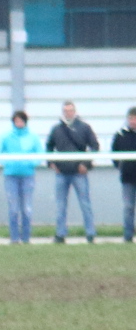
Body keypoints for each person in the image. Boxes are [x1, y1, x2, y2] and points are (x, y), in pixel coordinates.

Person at [47, 101, 99, 244]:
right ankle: (60, 233)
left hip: (79, 172)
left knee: (85, 204)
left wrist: (86, 164)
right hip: (61, 172)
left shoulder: (84, 128)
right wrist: (51, 163)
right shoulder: (56, 129)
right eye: (65, 111)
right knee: (60, 205)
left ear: (74, 112)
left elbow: (94, 146)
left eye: (70, 110)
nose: (68, 113)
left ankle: (90, 233)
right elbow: (49, 146)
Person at [0, 110, 41, 244]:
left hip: (27, 176)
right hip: (11, 176)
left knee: (27, 208)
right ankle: (14, 238)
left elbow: (40, 154)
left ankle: (26, 238)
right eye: (16, 121)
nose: (19, 123)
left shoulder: (32, 137)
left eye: (21, 120)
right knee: (13, 208)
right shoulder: (6, 137)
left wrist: (30, 163)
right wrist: (8, 163)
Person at [113, 106, 136, 243]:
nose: (133, 121)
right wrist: (120, 166)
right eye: (131, 118)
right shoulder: (121, 135)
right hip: (127, 177)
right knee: (128, 207)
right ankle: (128, 235)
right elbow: (114, 152)